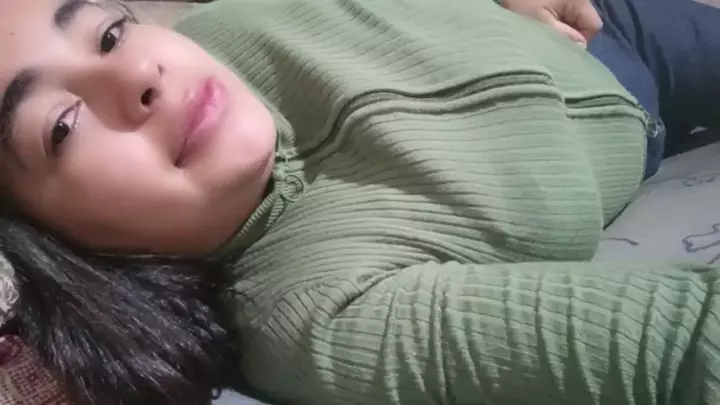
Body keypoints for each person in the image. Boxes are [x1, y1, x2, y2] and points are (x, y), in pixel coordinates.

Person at [1, 0, 719, 404]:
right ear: (47, 244)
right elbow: (686, 341)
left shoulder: (215, 27)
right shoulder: (321, 311)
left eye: (108, 32)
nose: (137, 70)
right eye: (62, 125)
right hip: (632, 94)